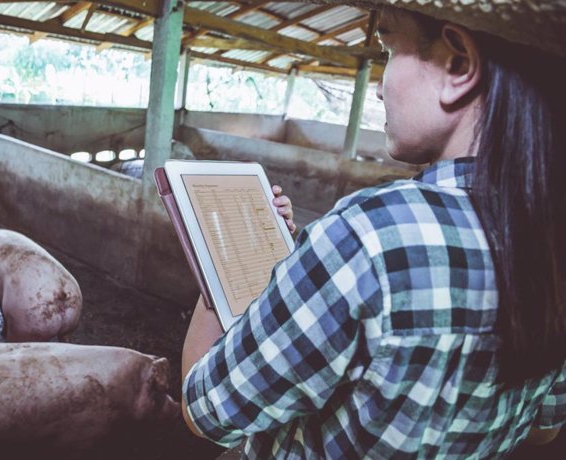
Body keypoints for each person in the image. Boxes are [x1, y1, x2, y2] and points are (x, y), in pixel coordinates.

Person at [180, 1, 566, 458]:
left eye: (388, 48)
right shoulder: (550, 242)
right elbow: (544, 428)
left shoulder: (366, 237)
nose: (380, 90)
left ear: (458, 64)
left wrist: (217, 262)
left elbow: (205, 410)